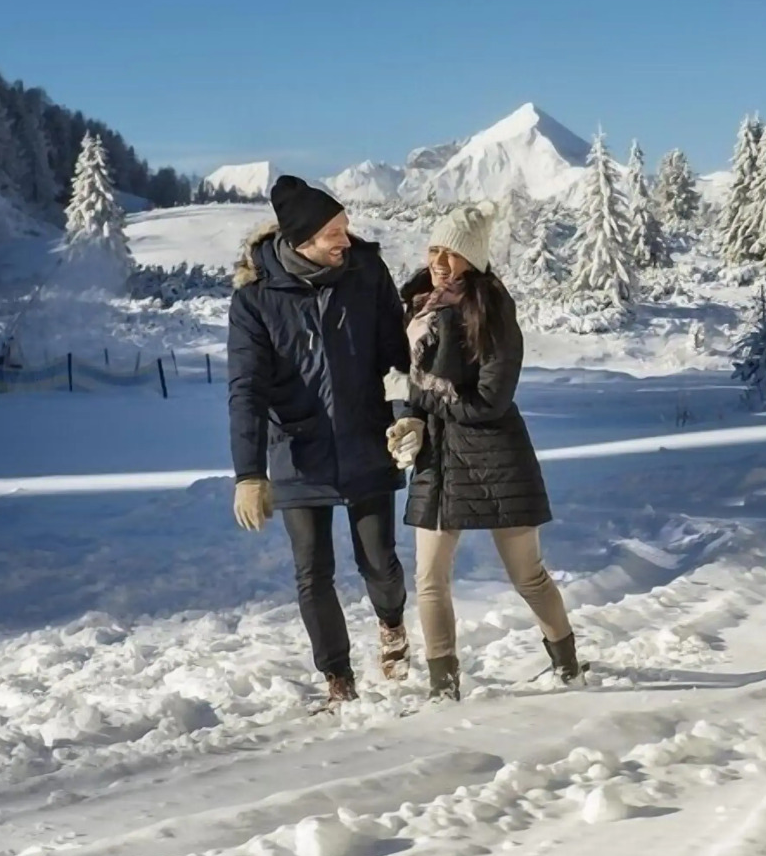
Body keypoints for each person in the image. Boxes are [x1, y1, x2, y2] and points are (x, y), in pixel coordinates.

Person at [227, 175, 421, 708]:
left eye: (346, 227)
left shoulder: (366, 272)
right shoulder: (255, 301)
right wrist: (248, 473)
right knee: (313, 572)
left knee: (379, 561)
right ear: (302, 240)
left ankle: (390, 623)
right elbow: (245, 387)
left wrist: (406, 415)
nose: (346, 239)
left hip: (365, 438)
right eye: (335, 231)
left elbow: (397, 354)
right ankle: (338, 677)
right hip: (297, 450)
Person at [384, 202, 583, 700]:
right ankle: (442, 689)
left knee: (528, 575)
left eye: (453, 253)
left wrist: (415, 390)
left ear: (473, 258)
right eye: (435, 249)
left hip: (496, 458)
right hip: (439, 460)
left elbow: (490, 401)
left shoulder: (492, 310)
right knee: (429, 578)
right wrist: (405, 418)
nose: (441, 262)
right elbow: (406, 385)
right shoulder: (417, 305)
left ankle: (568, 665)